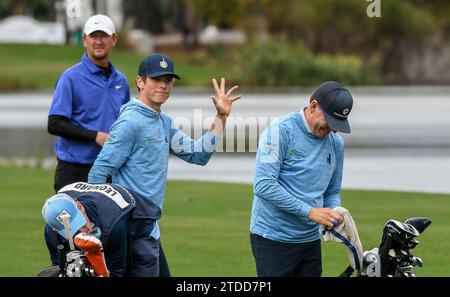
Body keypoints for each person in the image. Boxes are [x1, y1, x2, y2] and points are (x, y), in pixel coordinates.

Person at [87, 53, 241, 276]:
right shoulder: (130, 122)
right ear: (140, 82)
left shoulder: (164, 123)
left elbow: (199, 155)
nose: (163, 85)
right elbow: (98, 174)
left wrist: (220, 117)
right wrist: (103, 227)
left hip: (149, 230)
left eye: (167, 80)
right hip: (130, 230)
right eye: (156, 79)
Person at [250, 81, 354, 277]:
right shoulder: (280, 130)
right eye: (330, 121)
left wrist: (333, 212)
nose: (332, 129)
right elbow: (264, 185)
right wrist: (310, 212)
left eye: (337, 125)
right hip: (273, 238)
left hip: (309, 241)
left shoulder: (336, 144)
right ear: (314, 106)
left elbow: (331, 191)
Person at [47, 14, 130, 192]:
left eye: (103, 36)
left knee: (108, 221)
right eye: (93, 36)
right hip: (74, 171)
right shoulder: (70, 78)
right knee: (71, 221)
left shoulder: (121, 82)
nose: (98, 41)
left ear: (114, 40)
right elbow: (55, 124)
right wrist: (95, 136)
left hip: (109, 171)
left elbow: (125, 125)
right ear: (85, 40)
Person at [42, 181, 161, 277]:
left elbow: (116, 271)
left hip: (139, 220)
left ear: (80, 207)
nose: (82, 232)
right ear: (56, 231)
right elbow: (60, 269)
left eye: (80, 224)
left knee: (143, 269)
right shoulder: (51, 232)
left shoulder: (113, 223)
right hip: (105, 217)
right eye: (73, 232)